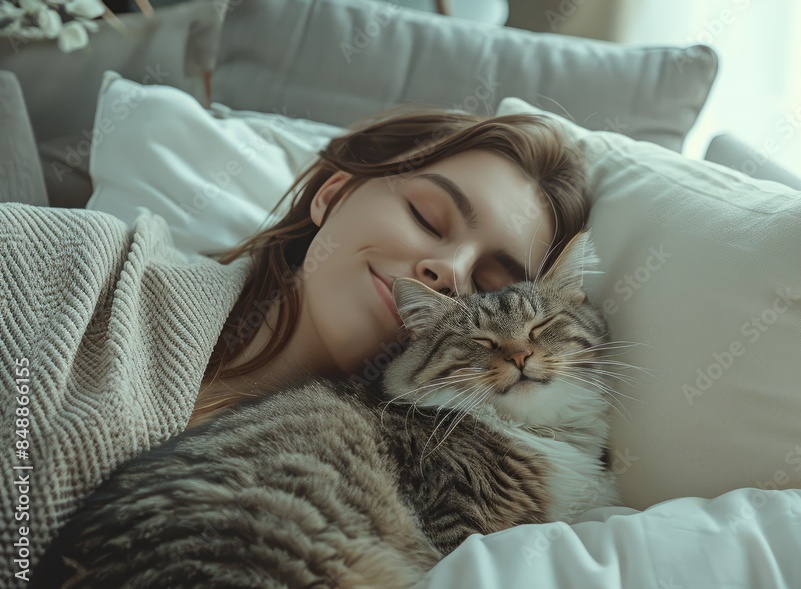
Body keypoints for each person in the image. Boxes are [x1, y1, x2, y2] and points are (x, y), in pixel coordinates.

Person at [189, 105, 591, 428]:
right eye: (425, 217)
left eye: (488, 283)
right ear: (334, 193)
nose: (452, 273)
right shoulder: (127, 275)